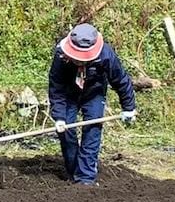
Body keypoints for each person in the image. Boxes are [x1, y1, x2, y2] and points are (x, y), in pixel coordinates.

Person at [48, 24, 136, 186]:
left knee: (92, 130)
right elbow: (56, 87)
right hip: (68, 94)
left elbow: (121, 80)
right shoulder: (61, 55)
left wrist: (128, 107)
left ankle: (86, 179)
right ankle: (74, 172)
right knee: (66, 131)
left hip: (94, 93)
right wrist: (59, 117)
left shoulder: (105, 55)